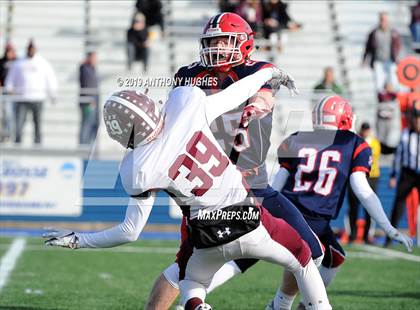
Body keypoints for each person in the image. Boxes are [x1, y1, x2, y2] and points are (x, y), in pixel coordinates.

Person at [43, 67, 332, 310]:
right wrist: (269, 71)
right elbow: (238, 92)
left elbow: (129, 232)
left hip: (204, 236)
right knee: (304, 257)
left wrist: (78, 239)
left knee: (191, 282)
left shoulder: (139, 166)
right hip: (248, 219)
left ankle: (196, 304)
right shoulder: (186, 103)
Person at [146, 13, 324, 310]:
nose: (217, 47)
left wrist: (256, 106)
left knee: (312, 251)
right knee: (183, 266)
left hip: (254, 183)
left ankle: (280, 303)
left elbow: (265, 96)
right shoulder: (188, 75)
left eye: (224, 40)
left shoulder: (257, 70)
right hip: (214, 188)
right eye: (212, 41)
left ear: (244, 43)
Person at [267, 95, 412, 310]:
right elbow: (363, 189)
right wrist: (388, 227)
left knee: (334, 256)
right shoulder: (353, 143)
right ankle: (285, 304)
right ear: (343, 119)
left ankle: (302, 304)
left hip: (291, 209)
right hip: (310, 214)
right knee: (307, 258)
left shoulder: (297, 137)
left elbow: (276, 183)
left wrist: (262, 204)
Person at [5, 39, 57, 144]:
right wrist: (9, 88)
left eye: (33, 48)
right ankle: (17, 144)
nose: (31, 50)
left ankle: (37, 145)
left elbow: (50, 78)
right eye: (29, 48)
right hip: (22, 98)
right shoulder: (19, 63)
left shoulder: (42, 63)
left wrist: (53, 94)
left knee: (37, 124)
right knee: (19, 124)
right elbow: (10, 79)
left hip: (37, 98)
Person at [385, 101, 420, 247]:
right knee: (398, 204)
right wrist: (393, 175)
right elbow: (398, 157)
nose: (417, 122)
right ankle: (390, 237)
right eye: (416, 119)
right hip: (408, 173)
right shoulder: (406, 134)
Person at [347, 122, 381, 244]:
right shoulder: (356, 141)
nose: (365, 132)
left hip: (371, 176)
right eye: (364, 130)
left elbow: (370, 156)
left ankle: (367, 235)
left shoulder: (374, 143)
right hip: (356, 175)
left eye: (367, 130)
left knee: (370, 207)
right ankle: (352, 235)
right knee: (353, 207)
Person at [363, 12, 401, 91]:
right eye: (382, 20)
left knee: (393, 80)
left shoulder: (393, 32)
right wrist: (364, 59)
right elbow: (368, 47)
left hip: (390, 60)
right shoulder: (374, 33)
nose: (383, 22)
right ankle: (381, 99)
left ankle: (393, 97)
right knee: (379, 82)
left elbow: (398, 45)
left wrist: (396, 57)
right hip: (378, 61)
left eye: (385, 20)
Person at [79, 51, 99, 145]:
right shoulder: (84, 68)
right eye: (93, 57)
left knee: (93, 124)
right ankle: (83, 144)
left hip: (94, 100)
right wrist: (90, 100)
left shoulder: (92, 68)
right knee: (86, 124)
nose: (95, 60)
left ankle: (90, 144)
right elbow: (87, 85)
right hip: (88, 101)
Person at [377, 82, 401, 154]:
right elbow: (380, 110)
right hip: (383, 126)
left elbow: (395, 110)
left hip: (392, 126)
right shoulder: (381, 96)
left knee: (392, 145)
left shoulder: (395, 97)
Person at [0, 42, 17, 142]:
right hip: (5, 92)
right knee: (6, 114)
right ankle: (6, 134)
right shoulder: (2, 62)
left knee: (12, 115)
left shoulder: (17, 62)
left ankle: (11, 134)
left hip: (17, 93)